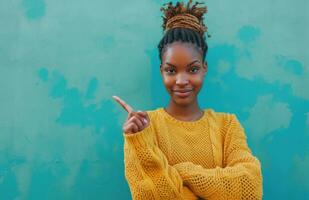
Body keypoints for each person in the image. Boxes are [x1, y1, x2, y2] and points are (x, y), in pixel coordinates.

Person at [112, 0, 263, 199]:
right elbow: (146, 195)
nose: (181, 81)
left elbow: (249, 187)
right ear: (161, 71)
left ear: (204, 68)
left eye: (192, 69)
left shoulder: (227, 125)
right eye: (171, 70)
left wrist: (181, 173)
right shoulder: (143, 128)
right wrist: (140, 143)